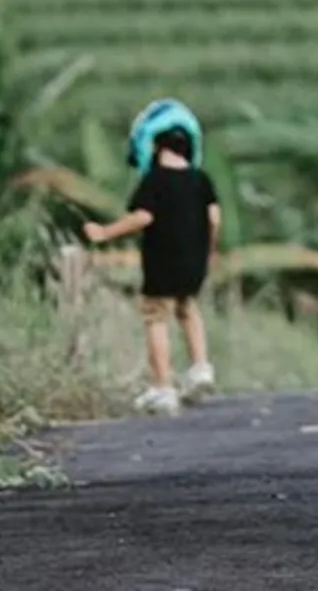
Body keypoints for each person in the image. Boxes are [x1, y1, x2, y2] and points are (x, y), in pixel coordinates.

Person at [84, 117, 221, 416]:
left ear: (156, 148)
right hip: (194, 261)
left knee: (156, 317)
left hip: (162, 261)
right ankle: (200, 368)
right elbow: (214, 218)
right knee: (188, 308)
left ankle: (163, 387)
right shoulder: (201, 179)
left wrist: (104, 232)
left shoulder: (155, 180)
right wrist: (208, 251)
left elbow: (143, 217)